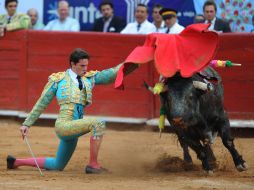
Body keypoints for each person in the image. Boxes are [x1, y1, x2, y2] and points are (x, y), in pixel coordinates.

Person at [6, 48, 134, 174]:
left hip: (75, 126)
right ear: (73, 64)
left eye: (87, 65)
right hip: (64, 126)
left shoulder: (88, 78)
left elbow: (111, 74)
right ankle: (93, 165)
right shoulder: (58, 79)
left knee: (58, 165)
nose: (85, 69)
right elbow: (42, 102)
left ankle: (16, 162)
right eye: (82, 65)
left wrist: (135, 61)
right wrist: (27, 123)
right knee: (98, 123)